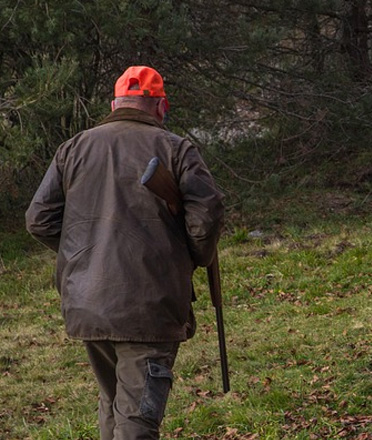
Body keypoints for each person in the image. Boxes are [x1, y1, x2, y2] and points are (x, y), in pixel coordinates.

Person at [26, 66, 225, 439]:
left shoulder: (74, 147)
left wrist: (84, 255)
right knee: (137, 420)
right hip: (149, 306)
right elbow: (207, 215)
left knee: (114, 403)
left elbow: (39, 219)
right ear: (161, 106)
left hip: (88, 304)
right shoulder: (175, 148)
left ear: (115, 103)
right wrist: (191, 257)